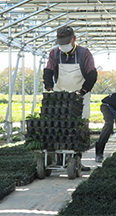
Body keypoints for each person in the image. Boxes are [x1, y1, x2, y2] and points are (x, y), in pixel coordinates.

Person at [43, 25, 98, 171]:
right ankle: (60, 158)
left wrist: (84, 90)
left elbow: (92, 74)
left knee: (79, 128)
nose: (63, 46)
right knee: (59, 126)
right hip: (60, 96)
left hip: (80, 95)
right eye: (61, 43)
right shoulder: (54, 53)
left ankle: (76, 160)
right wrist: (49, 88)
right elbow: (48, 71)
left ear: (74, 39)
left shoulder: (84, 53)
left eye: (66, 42)